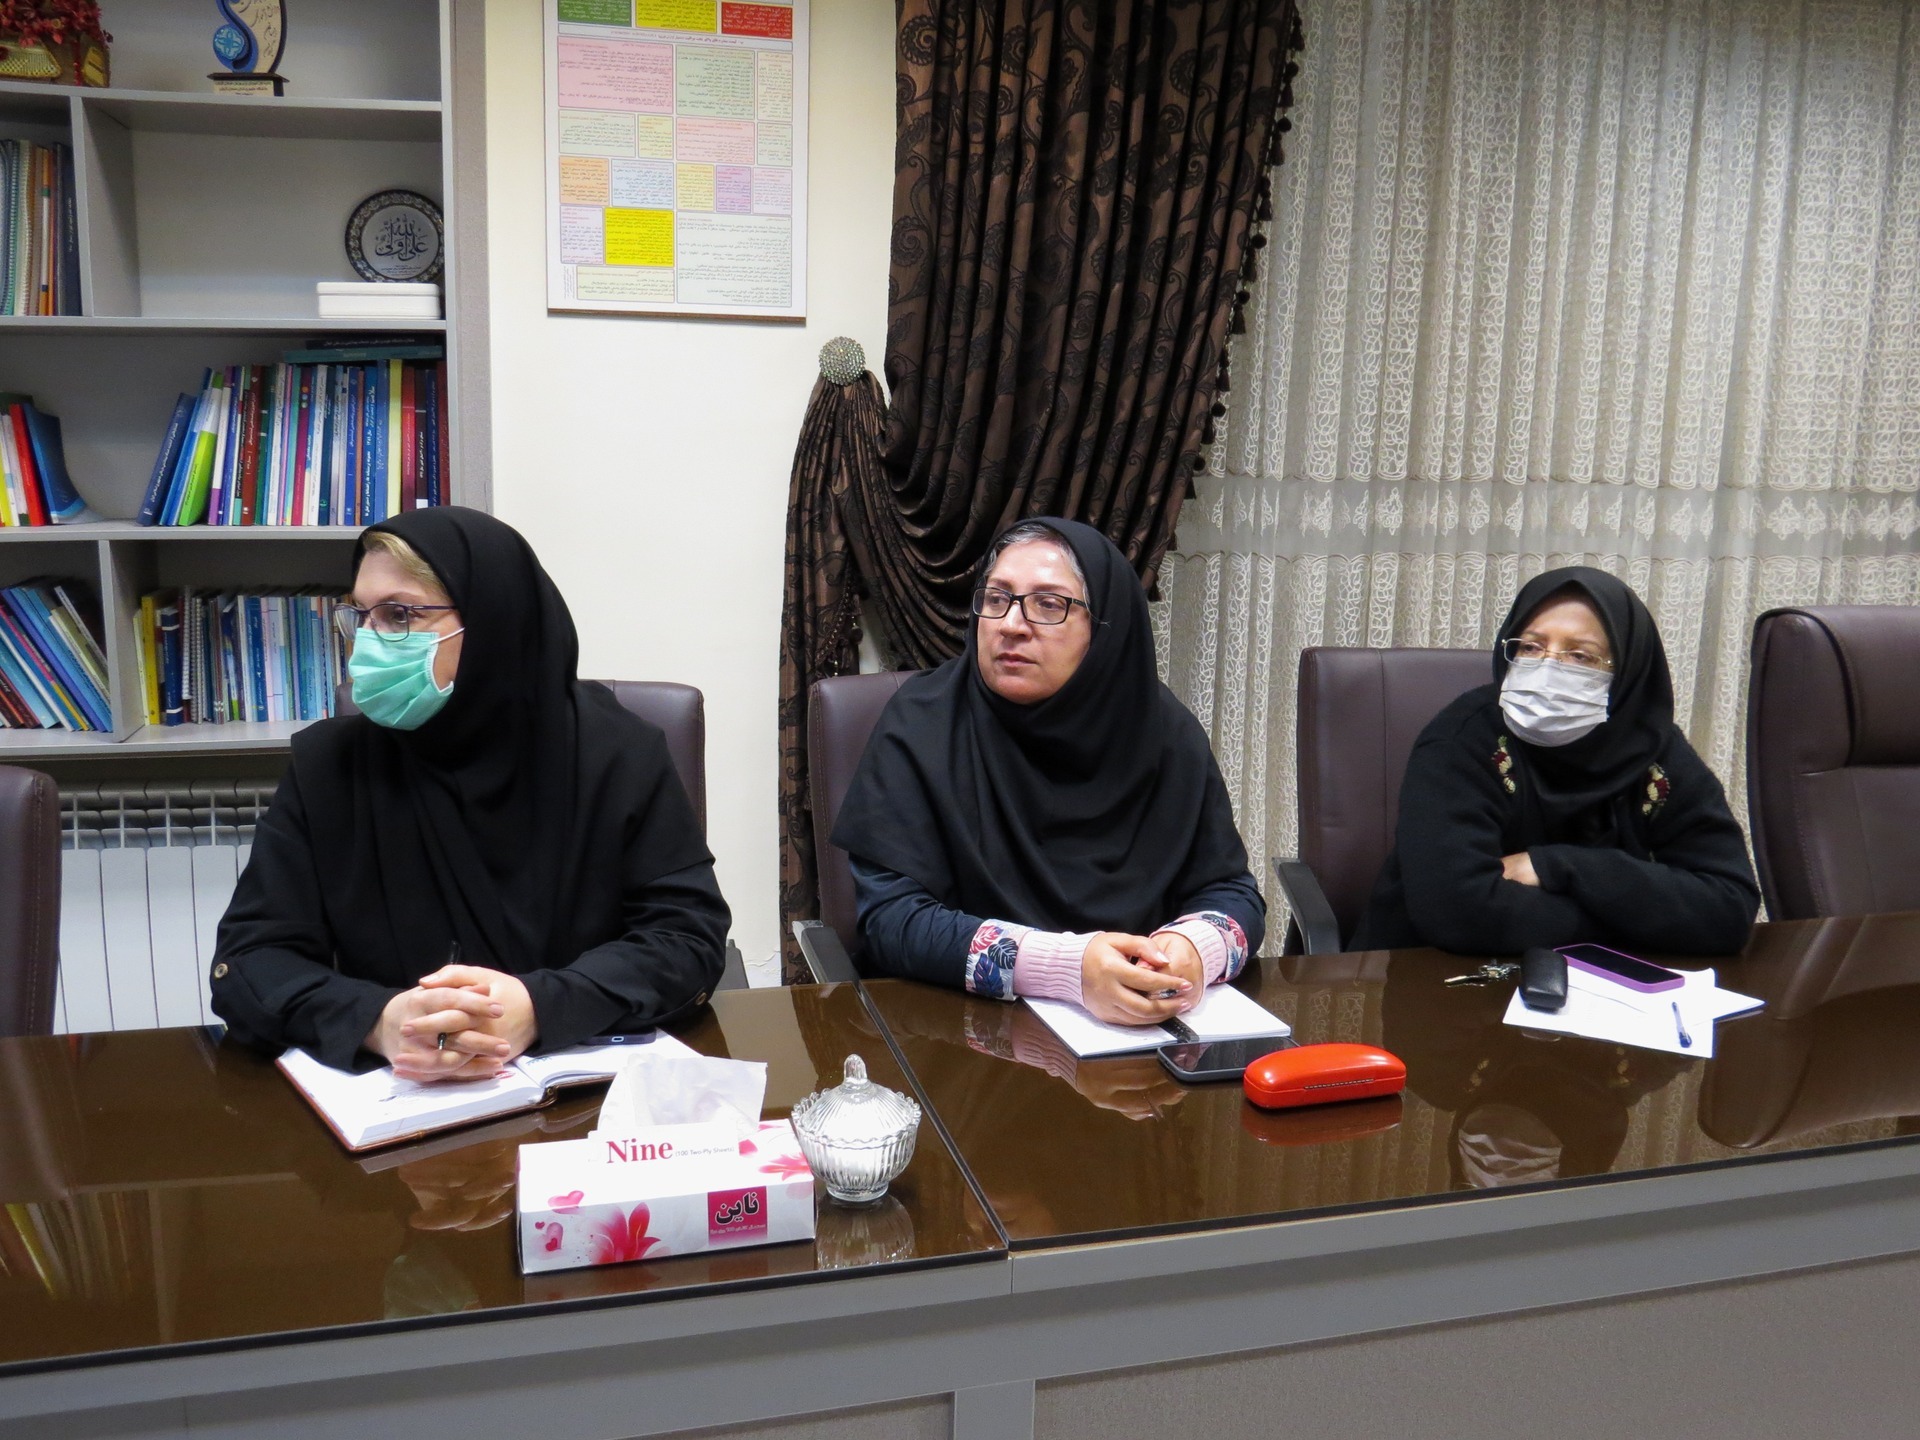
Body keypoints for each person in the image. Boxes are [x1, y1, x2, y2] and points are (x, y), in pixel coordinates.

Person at [210, 508, 730, 1080]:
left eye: (399, 615)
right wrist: (380, 1021)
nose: (366, 645)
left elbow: (686, 939)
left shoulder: (619, 753)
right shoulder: (330, 767)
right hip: (398, 1096)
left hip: (581, 1094)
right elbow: (250, 959)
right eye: (360, 616)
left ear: (493, 622)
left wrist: (538, 1007)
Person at [830, 518, 1265, 1025]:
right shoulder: (922, 724)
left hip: (1142, 1031)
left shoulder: (1163, 732)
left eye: (1049, 604)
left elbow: (1233, 892)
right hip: (964, 1030)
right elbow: (891, 920)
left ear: (1104, 627)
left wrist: (1192, 949)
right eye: (997, 598)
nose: (1011, 624)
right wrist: (1066, 967)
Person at [1354, 565, 1758, 957]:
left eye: (1580, 656)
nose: (1548, 669)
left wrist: (1558, 866)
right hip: (1432, 975)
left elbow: (1729, 908)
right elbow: (1458, 912)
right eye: (1531, 647)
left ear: (1628, 670)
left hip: (1614, 989)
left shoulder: (1654, 751)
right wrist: (1641, 920)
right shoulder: (1463, 741)